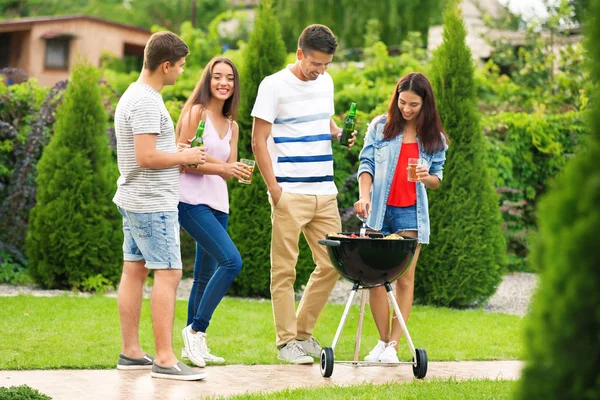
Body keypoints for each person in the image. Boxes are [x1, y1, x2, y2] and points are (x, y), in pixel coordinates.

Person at [251, 24, 356, 364]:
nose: (320, 71)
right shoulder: (273, 86)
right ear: (299, 54)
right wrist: (275, 189)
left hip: (324, 190)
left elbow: (324, 121)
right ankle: (286, 343)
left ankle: (302, 333)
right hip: (290, 191)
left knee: (332, 264)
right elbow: (257, 140)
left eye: (326, 65)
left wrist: (340, 133)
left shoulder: (325, 82)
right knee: (284, 271)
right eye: (315, 64)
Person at [113, 31, 207, 381]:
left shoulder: (133, 96)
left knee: (134, 271)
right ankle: (165, 360)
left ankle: (131, 352)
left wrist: (177, 151)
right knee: (169, 273)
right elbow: (146, 156)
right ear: (165, 65)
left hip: (136, 199)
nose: (182, 72)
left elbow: (149, 151)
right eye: (180, 66)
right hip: (152, 203)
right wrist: (184, 155)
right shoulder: (147, 102)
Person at [353, 72, 449, 363]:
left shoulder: (435, 139)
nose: (406, 109)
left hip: (410, 213)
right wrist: (364, 195)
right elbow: (366, 163)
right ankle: (382, 343)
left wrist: (427, 176)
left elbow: (438, 179)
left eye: (414, 105)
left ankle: (393, 346)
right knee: (375, 278)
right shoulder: (380, 126)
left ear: (426, 104)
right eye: (402, 101)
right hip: (379, 211)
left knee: (405, 279)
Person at [175, 57, 247, 368]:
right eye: (217, 77)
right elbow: (181, 160)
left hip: (219, 204)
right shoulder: (195, 113)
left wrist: (237, 171)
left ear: (234, 85)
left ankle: (195, 346)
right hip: (191, 201)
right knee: (232, 261)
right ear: (208, 80)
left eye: (229, 78)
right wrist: (223, 167)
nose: (223, 83)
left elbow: (227, 170)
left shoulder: (233, 126)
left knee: (202, 278)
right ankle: (196, 328)